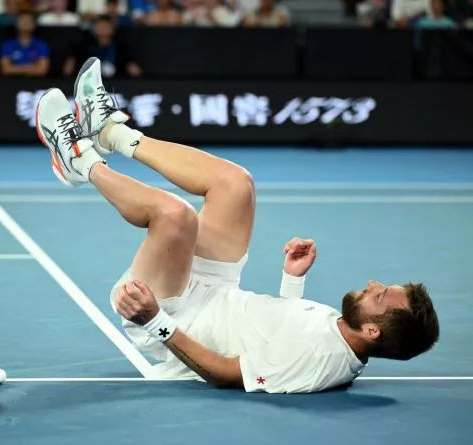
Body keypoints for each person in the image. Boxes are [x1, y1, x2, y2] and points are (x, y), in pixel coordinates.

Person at [35, 58, 440, 393]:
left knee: (176, 215)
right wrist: (293, 280)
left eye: (380, 294)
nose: (373, 283)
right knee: (236, 184)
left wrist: (155, 321)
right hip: (219, 291)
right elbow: (286, 330)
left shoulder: (320, 363)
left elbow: (226, 373)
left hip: (177, 314)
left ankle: (79, 162)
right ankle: (110, 132)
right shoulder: (345, 328)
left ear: (372, 331)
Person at [0, 11, 49, 77]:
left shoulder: (41, 44)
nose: (25, 23)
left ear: (34, 25)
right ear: (16, 24)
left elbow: (42, 70)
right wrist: (33, 67)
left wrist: (14, 67)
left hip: (34, 81)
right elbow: (5, 69)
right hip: (11, 81)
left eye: (29, 21)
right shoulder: (8, 44)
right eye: (22, 21)